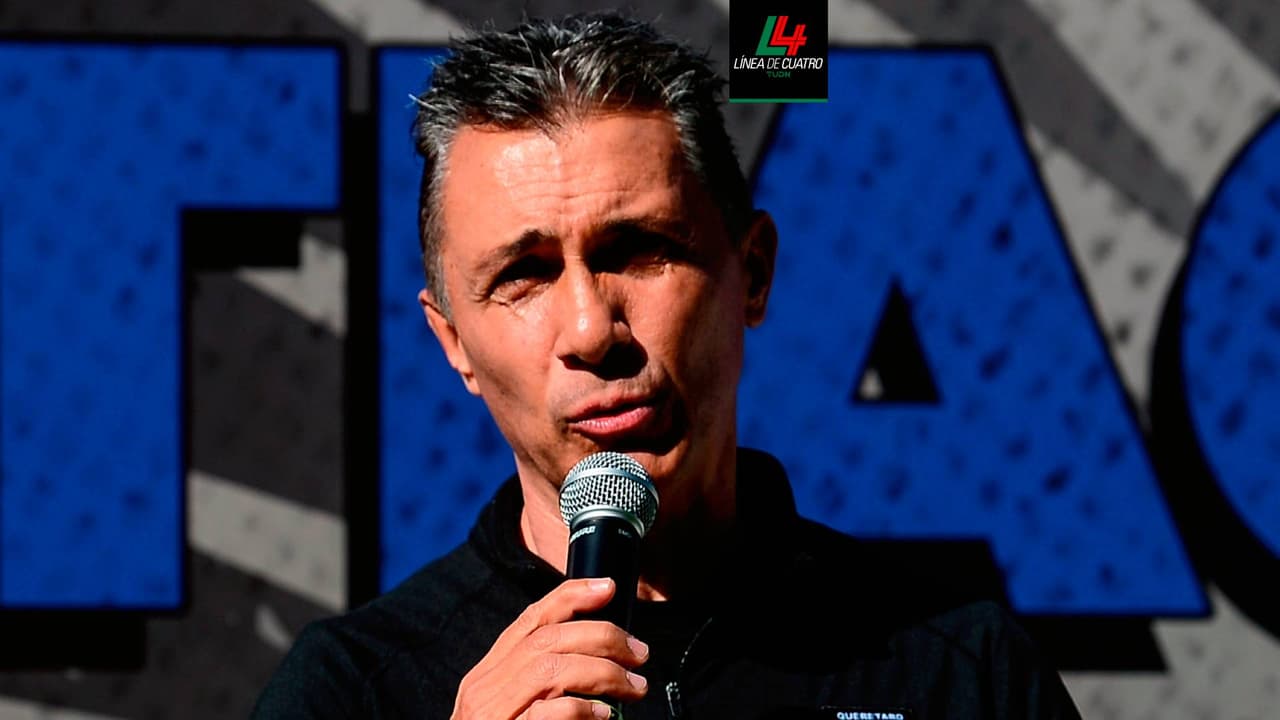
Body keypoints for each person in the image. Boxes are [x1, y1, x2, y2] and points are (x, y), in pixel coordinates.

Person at [253, 12, 1081, 719]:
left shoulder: (960, 671)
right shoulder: (348, 691)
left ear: (751, 273)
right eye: (525, 275)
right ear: (454, 343)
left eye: (639, 249)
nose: (591, 330)